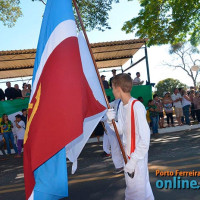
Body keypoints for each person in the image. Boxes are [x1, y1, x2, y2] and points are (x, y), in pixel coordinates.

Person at [106, 73, 154, 200]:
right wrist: (112, 122)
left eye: (112, 87)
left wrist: (133, 161)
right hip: (128, 155)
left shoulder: (137, 106)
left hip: (136, 158)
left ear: (118, 88)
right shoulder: (122, 105)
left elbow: (145, 139)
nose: (112, 90)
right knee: (144, 192)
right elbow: (121, 129)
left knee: (134, 194)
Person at [102, 99, 124, 174]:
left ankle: (127, 164)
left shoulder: (129, 101)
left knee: (126, 146)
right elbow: (105, 107)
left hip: (123, 125)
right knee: (115, 147)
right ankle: (119, 166)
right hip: (113, 126)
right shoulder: (115, 101)